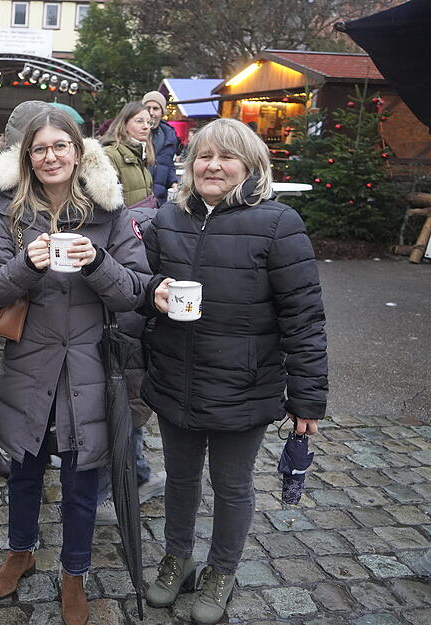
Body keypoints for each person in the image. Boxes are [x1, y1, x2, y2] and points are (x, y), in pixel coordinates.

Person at [140, 118, 328, 625]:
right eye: (204, 156)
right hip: (175, 378)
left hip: (244, 384)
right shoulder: (167, 219)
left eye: (227, 157)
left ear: (251, 166)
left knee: (232, 484)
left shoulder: (278, 223)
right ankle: (177, 558)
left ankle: (221, 570)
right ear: (190, 164)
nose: (213, 166)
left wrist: (307, 399)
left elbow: (304, 316)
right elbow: (140, 288)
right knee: (180, 479)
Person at [0, 109, 150, 625]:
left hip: (89, 366)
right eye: (39, 149)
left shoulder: (109, 212)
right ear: (27, 158)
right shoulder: (9, 210)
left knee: (81, 479)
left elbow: (135, 291)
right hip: (30, 364)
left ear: (78, 151)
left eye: (60, 146)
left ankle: (74, 573)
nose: (50, 156)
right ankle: (21, 551)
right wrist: (25, 265)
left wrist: (96, 261)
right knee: (23, 470)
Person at [0, 100, 53, 479]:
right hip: (13, 293)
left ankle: (0, 446)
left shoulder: (9, 174)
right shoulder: (8, 180)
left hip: (21, 290)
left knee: (3, 370)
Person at [96, 100, 166, 523]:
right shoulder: (110, 156)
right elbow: (113, 211)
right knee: (121, 392)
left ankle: (136, 473)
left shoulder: (142, 156)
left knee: (131, 392)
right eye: (139, 119)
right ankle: (110, 489)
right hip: (120, 266)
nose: (146, 125)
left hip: (137, 260)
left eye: (150, 121)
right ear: (123, 123)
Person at [141, 91, 179, 205]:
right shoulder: (135, 133)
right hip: (139, 198)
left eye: (155, 108)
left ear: (162, 111)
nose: (151, 112)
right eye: (147, 108)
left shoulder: (169, 135)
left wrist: (173, 182)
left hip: (159, 199)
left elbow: (168, 163)